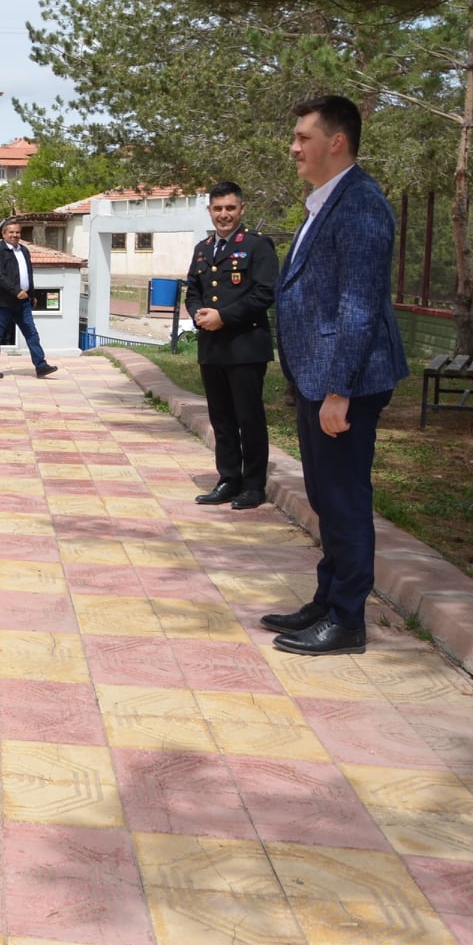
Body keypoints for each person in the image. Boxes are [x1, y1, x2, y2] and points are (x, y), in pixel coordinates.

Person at [261, 96, 409, 658]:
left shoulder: (361, 204)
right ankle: (328, 600)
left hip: (345, 380)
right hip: (319, 377)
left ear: (337, 141)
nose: (294, 147)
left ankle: (347, 621)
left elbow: (358, 305)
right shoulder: (326, 202)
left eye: (303, 137)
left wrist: (339, 390)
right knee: (326, 495)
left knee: (344, 498)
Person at [185, 182, 277, 510]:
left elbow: (264, 293)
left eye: (230, 208)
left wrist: (223, 316)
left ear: (241, 209)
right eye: (218, 209)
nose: (224, 215)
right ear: (210, 211)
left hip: (245, 347)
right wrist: (198, 314)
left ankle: (253, 485)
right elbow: (193, 290)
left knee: (248, 417)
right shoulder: (203, 248)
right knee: (221, 417)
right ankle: (228, 478)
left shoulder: (256, 246)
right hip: (212, 347)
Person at [0, 218, 58, 379]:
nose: (15, 235)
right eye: (11, 232)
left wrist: (31, 295)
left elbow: (28, 275)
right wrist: (15, 290)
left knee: (32, 333)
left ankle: (41, 366)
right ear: (4, 234)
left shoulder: (24, 250)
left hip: (22, 303)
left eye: (17, 232)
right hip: (2, 303)